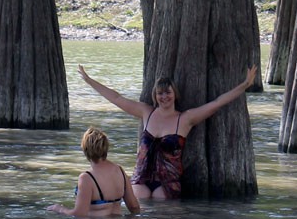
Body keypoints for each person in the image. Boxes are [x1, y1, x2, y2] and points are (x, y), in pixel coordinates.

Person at [77, 63, 257, 202]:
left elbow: (217, 103)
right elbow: (116, 98)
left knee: (165, 213)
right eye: (160, 93)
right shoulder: (146, 112)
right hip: (141, 178)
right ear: (155, 96)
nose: (164, 97)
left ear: (174, 94)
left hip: (169, 183)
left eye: (168, 93)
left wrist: (244, 85)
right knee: (139, 213)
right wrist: (88, 80)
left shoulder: (185, 119)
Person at [50, 127, 141, 216]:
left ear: (85, 149)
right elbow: (134, 207)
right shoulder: (119, 171)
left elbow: (79, 214)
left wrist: (59, 209)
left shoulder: (86, 178)